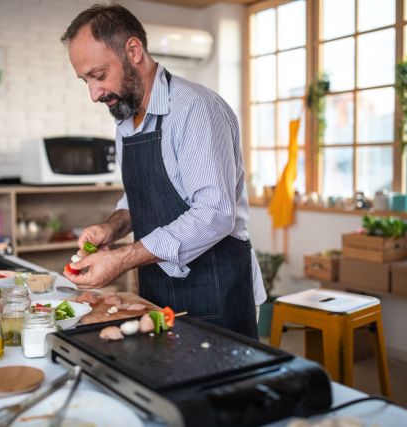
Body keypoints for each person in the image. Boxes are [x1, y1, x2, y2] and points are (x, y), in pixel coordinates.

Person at [60, 4, 265, 338]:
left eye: (98, 76)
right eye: (86, 81)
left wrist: (124, 258)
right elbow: (139, 196)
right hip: (156, 291)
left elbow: (214, 213)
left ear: (134, 51)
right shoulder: (126, 120)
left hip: (214, 292)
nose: (94, 94)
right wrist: (111, 229)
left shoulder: (196, 110)